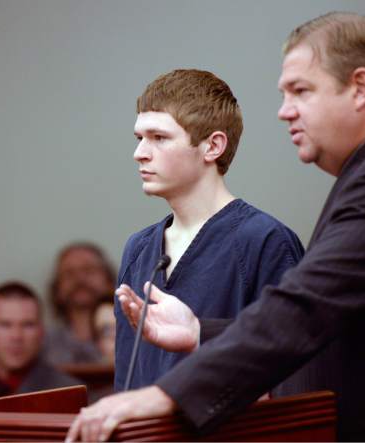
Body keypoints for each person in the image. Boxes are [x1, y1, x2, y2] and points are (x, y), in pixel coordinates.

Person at [66, 11, 365, 442]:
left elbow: (305, 312)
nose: (284, 112)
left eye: (301, 90)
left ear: (360, 87)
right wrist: (199, 331)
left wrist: (162, 397)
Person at [113, 69, 304, 390]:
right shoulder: (139, 249)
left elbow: (292, 374)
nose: (139, 153)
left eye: (159, 138)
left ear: (212, 146)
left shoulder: (264, 241)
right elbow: (126, 380)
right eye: (139, 138)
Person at [0, 281, 81, 400]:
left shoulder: (68, 391)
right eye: (5, 325)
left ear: (41, 332)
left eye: (27, 325)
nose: (16, 336)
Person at [44, 242, 116, 365]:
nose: (80, 278)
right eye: (69, 273)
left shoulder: (132, 336)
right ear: (57, 289)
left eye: (89, 270)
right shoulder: (44, 344)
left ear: (109, 280)